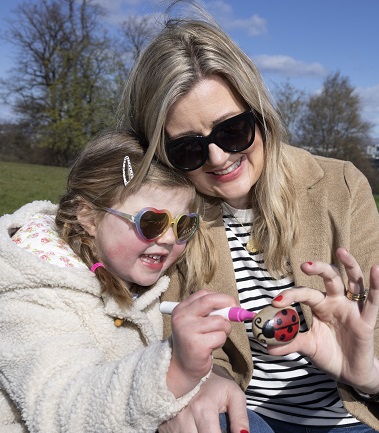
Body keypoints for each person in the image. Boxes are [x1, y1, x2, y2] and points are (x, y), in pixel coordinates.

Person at [119, 7, 379, 433]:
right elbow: (167, 320)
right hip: (244, 414)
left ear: (260, 115)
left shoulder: (339, 185)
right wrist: (207, 378)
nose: (218, 158)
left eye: (232, 131)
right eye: (188, 149)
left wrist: (366, 371)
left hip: (357, 413)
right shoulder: (174, 216)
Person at [0, 131, 267, 432]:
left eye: (183, 225)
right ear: (88, 217)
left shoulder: (140, 275)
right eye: (151, 222)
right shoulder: (31, 291)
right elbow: (62, 408)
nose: (168, 240)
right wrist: (174, 371)